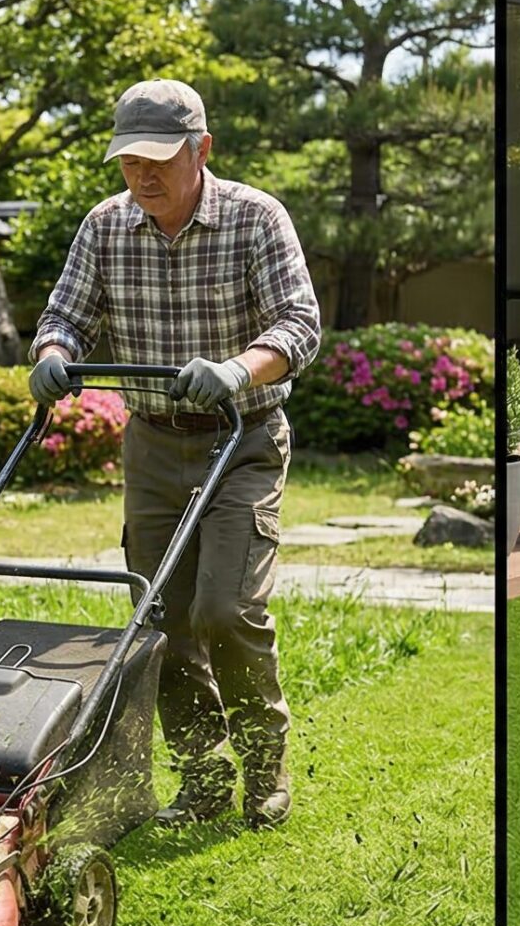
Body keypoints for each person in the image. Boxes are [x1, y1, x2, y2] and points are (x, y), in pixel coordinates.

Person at [28, 78, 322, 827]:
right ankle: (202, 779)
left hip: (242, 439)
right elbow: (66, 312)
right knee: (159, 619)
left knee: (224, 608)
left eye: (159, 159)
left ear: (202, 150)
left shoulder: (256, 219)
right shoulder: (105, 227)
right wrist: (55, 352)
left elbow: (298, 323)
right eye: (130, 162)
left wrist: (235, 370)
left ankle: (265, 771)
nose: (144, 176)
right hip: (154, 444)